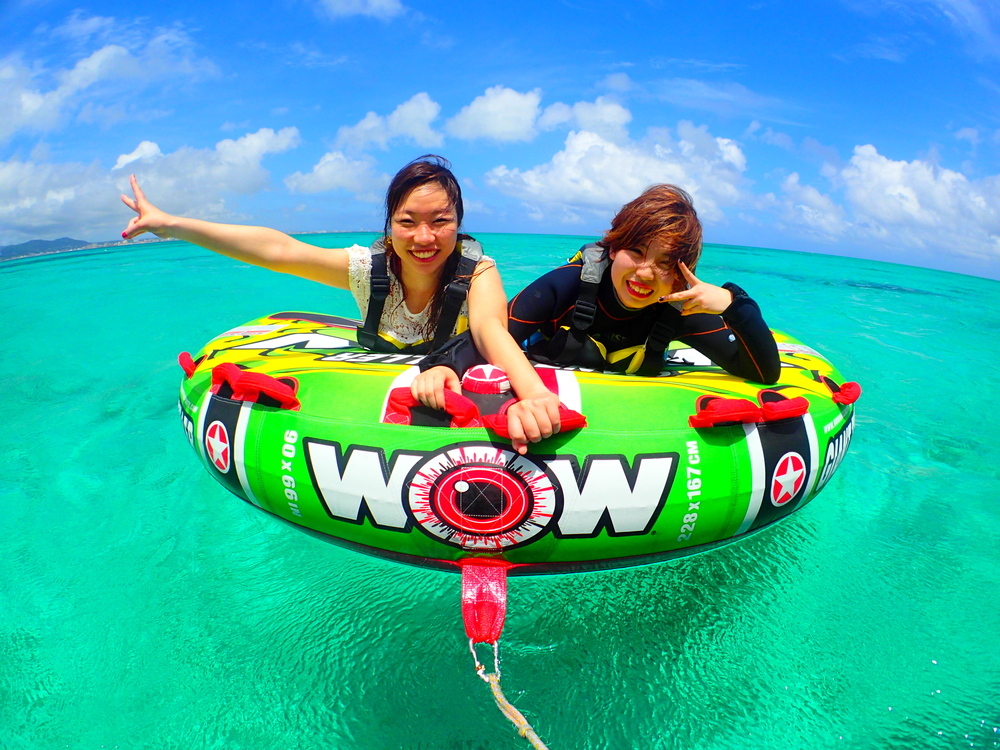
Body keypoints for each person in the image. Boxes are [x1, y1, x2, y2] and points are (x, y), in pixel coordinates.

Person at [121, 154, 562, 453]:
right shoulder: (368, 271)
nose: (424, 237)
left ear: (459, 223)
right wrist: (172, 225)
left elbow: (490, 331)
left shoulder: (477, 273)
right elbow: (279, 250)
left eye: (440, 221)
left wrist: (536, 396)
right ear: (389, 225)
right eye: (407, 222)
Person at [506, 184, 781, 383]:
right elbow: (487, 340)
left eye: (665, 263)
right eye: (636, 252)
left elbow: (763, 373)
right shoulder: (567, 286)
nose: (646, 273)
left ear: (681, 275)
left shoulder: (678, 310)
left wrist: (734, 304)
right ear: (613, 248)